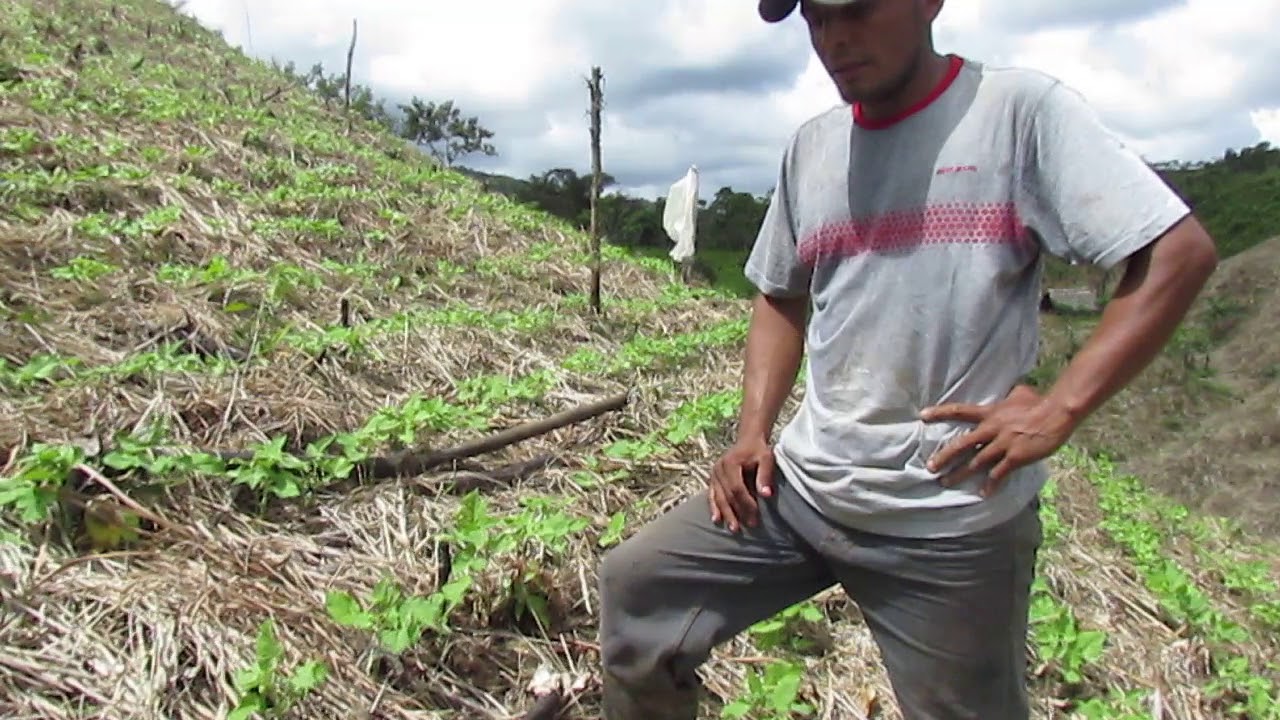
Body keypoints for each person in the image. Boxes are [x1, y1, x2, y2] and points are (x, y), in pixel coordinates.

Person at [595, 0, 1219, 718]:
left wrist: (1060, 407)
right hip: (805, 488)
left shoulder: (1016, 114)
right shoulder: (814, 147)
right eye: (815, 19)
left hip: (945, 519)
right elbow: (778, 294)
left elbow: (1174, 252)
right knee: (638, 585)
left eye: (855, 11)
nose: (833, 39)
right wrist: (752, 431)